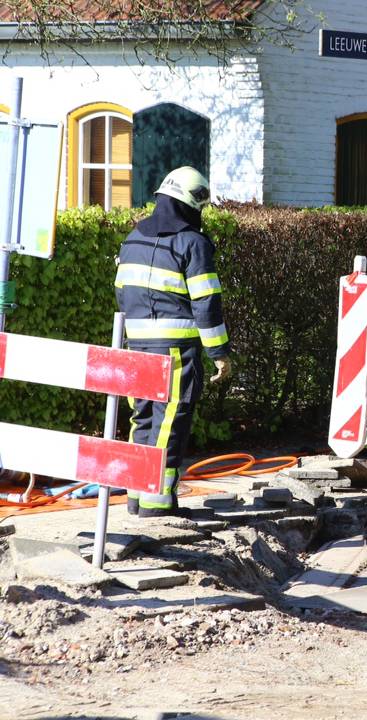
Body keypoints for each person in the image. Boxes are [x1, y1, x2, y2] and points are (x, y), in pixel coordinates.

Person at [115, 167, 231, 518]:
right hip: (175, 350)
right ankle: (157, 503)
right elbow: (206, 302)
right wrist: (220, 353)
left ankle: (137, 497)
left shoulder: (133, 238)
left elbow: (122, 293)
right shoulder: (192, 243)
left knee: (143, 418)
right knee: (170, 420)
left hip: (137, 347)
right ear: (191, 205)